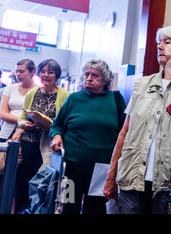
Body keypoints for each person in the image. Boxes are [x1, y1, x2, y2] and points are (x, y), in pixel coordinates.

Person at [103, 26, 171, 214]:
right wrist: (111, 177)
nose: (159, 47)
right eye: (159, 42)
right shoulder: (142, 85)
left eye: (167, 42)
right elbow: (124, 133)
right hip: (131, 182)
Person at [50, 59, 126, 214]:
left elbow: (125, 132)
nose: (89, 78)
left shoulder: (116, 100)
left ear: (105, 80)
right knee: (67, 208)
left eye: (95, 75)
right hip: (70, 169)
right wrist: (56, 136)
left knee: (96, 210)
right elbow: (57, 124)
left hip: (102, 171)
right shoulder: (74, 99)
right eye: (87, 74)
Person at [13, 59, 70, 213]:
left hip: (49, 147)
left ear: (57, 75)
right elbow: (22, 118)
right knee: (22, 184)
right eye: (43, 71)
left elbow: (65, 122)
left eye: (50, 72)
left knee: (42, 186)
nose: (46, 75)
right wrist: (24, 124)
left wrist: (48, 125)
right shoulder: (33, 93)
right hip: (28, 143)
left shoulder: (65, 95)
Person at [0, 59, 37, 143]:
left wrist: (22, 124)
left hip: (26, 134)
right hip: (5, 132)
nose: (18, 74)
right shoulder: (10, 88)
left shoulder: (38, 90)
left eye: (21, 72)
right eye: (16, 71)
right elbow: (3, 114)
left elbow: (33, 119)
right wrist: (23, 121)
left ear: (32, 72)